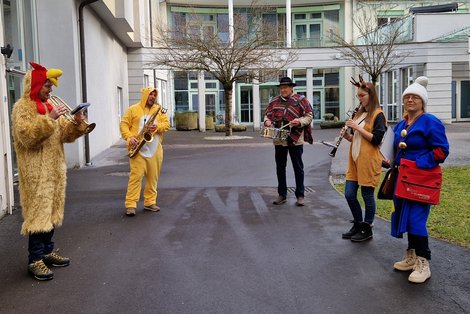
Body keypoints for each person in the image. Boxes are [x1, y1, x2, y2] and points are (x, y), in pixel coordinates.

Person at [11, 61, 88, 281]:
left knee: (51, 213)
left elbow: (65, 135)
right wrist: (49, 120)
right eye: (47, 86)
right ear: (36, 86)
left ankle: (46, 251)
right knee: (38, 215)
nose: (51, 90)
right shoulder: (22, 108)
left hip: (54, 171)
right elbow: (27, 137)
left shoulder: (49, 105)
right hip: (35, 173)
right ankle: (35, 260)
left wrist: (76, 123)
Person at [391, 76, 449, 283]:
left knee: (416, 218)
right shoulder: (402, 123)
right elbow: (394, 147)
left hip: (420, 178)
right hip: (402, 178)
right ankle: (412, 255)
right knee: (404, 217)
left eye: (415, 97)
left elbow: (442, 151)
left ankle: (424, 262)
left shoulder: (430, 121)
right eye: (407, 97)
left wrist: (418, 164)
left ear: (423, 101)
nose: (410, 100)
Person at [341, 77, 387, 242]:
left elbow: (376, 139)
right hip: (354, 160)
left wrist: (357, 127)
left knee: (367, 195)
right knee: (349, 194)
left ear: (371, 96)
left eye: (362, 95)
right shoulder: (360, 113)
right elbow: (357, 139)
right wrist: (347, 135)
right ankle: (358, 224)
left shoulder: (378, 114)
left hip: (368, 161)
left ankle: (367, 228)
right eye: (358, 96)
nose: (359, 99)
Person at [263, 77, 313, 206]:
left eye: (285, 87)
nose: (283, 89)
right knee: (280, 168)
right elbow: (267, 115)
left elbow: (309, 116)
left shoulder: (301, 100)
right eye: (281, 87)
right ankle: (282, 194)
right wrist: (267, 121)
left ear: (291, 87)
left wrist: (299, 121)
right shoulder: (274, 101)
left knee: (298, 168)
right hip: (279, 139)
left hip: (295, 139)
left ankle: (300, 195)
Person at [120, 87, 170, 217]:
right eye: (150, 94)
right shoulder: (133, 109)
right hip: (138, 149)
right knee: (135, 178)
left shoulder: (159, 111)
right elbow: (124, 124)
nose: (153, 97)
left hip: (155, 150)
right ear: (144, 95)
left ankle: (150, 202)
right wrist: (130, 137)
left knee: (153, 178)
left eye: (155, 94)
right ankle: (131, 205)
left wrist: (157, 126)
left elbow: (167, 125)